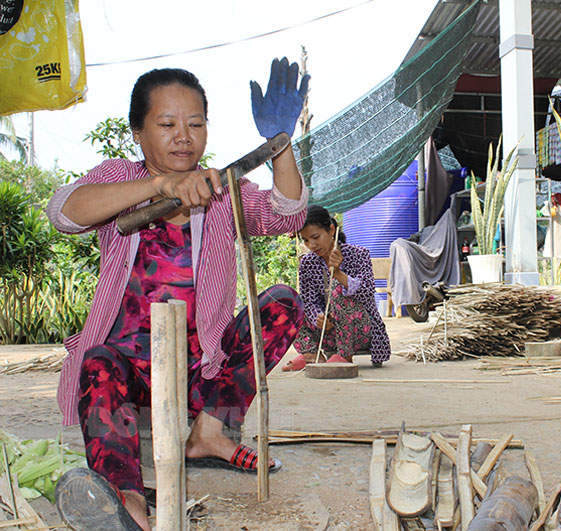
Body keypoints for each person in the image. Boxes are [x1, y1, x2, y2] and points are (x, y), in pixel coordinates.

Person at [48, 58, 309, 530]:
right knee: (96, 363)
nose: (183, 136)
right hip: (128, 372)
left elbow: (286, 216)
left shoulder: (221, 188)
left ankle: (209, 432)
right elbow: (65, 214)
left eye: (195, 124)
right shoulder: (116, 178)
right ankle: (128, 504)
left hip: (199, 369)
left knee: (283, 304)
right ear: (138, 132)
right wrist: (159, 186)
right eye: (167, 124)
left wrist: (281, 147)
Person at [285, 205, 391, 370]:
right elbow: (308, 300)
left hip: (359, 331)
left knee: (338, 288)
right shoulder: (307, 263)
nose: (311, 245)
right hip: (327, 333)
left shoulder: (358, 255)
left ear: (331, 230)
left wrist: (339, 275)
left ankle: (344, 354)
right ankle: (310, 353)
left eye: (315, 237)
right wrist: (318, 318)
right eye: (306, 240)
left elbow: (367, 294)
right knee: (286, 301)